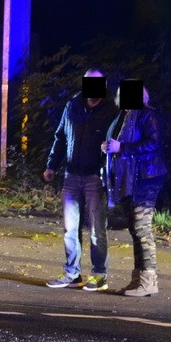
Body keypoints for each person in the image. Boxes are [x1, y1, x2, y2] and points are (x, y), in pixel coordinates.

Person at [43, 69, 119, 291]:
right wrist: (51, 165)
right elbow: (60, 136)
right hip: (71, 175)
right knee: (70, 229)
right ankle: (72, 273)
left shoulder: (111, 110)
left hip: (95, 177)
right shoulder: (72, 105)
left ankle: (99, 275)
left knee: (96, 228)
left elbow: (120, 141)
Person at [102, 81, 168, 297]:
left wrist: (122, 147)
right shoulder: (124, 116)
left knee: (142, 228)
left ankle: (149, 280)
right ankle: (139, 279)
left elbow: (154, 143)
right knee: (134, 229)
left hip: (146, 177)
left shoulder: (147, 115)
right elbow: (119, 144)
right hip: (130, 179)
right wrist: (110, 147)